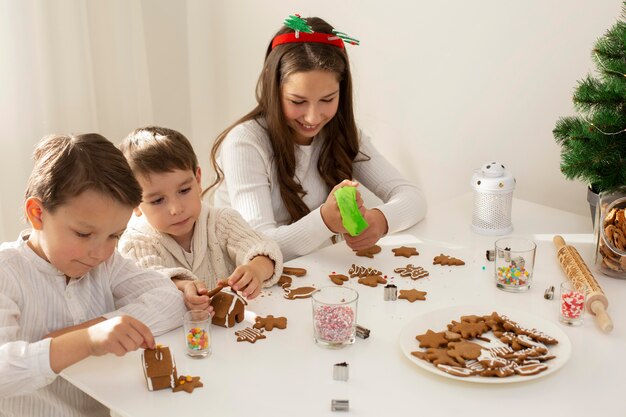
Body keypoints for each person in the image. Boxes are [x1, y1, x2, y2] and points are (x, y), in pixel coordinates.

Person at [209, 15, 427, 261]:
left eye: (327, 99)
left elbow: (412, 197)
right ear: (273, 82)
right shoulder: (245, 143)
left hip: (309, 275)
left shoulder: (341, 134)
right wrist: (325, 221)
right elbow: (260, 246)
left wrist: (380, 220)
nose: (312, 117)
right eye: (298, 101)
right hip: (246, 282)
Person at [0, 133, 186, 417]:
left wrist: (100, 328)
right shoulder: (7, 272)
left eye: (114, 235)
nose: (100, 252)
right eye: (84, 234)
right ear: (37, 213)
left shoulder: (106, 264)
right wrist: (85, 341)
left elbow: (168, 299)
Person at [118, 126, 282, 309]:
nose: (176, 209)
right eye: (157, 200)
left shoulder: (222, 221)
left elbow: (265, 250)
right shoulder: (136, 243)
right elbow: (149, 283)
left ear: (197, 180)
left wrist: (256, 270)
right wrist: (182, 286)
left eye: (184, 190)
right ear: (134, 204)